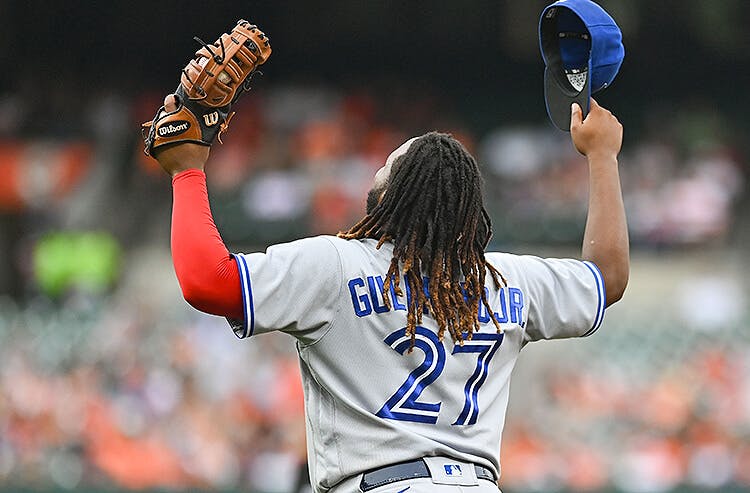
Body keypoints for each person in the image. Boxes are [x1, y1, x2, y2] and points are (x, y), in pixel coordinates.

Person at [154, 93, 628, 492]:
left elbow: (206, 281)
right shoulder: (506, 280)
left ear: (397, 192)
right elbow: (607, 276)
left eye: (387, 164)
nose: (377, 167)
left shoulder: (337, 265)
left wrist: (187, 170)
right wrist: (603, 157)